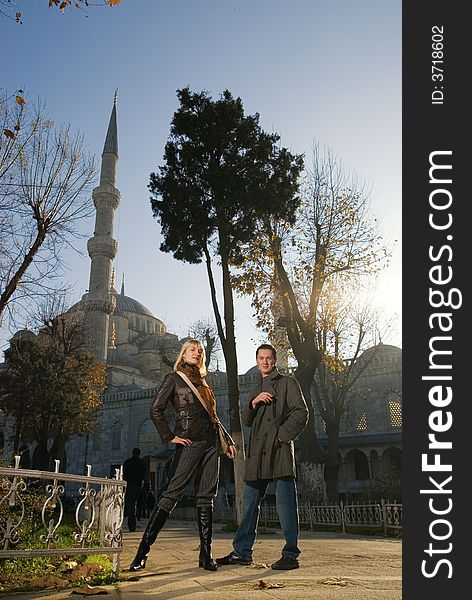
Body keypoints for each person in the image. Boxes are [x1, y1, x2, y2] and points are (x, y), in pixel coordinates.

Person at [129, 338, 236, 572]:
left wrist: (226, 441)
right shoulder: (174, 378)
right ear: (183, 355)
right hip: (189, 442)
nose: (196, 353)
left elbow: (213, 417)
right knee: (170, 495)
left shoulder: (204, 384)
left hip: (210, 444)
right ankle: (142, 553)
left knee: (206, 497)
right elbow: (155, 409)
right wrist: (169, 437)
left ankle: (205, 556)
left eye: (200, 350)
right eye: (192, 350)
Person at [216, 343, 308, 571]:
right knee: (249, 504)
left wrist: (281, 436)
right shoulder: (255, 386)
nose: (265, 362)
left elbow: (301, 413)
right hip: (257, 452)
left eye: (269, 358)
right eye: (261, 358)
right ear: (257, 361)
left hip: (278, 450)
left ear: (275, 360)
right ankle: (242, 552)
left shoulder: (288, 383)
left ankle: (290, 554)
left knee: (285, 503)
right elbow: (246, 420)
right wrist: (253, 402)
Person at [123, 447, 146, 532]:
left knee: (130, 503)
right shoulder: (141, 462)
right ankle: (133, 523)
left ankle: (131, 524)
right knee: (134, 503)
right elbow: (143, 474)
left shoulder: (128, 462)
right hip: (137, 485)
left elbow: (124, 474)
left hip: (129, 484)